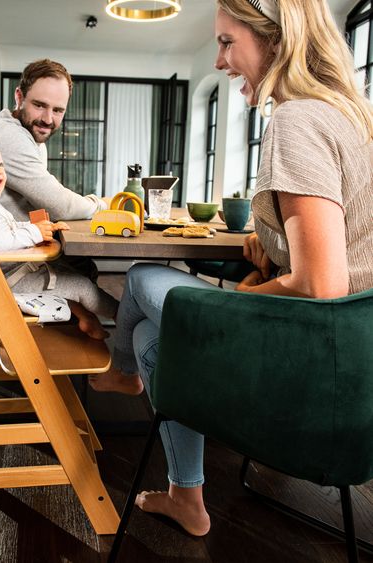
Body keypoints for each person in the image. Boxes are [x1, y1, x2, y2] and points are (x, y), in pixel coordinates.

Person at [90, 0, 373, 536]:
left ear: (276, 40)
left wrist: (239, 297)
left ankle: (122, 371)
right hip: (356, 371)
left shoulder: (297, 118)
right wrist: (274, 240)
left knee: (141, 278)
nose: (219, 61)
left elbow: (321, 283)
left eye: (226, 43)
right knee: (157, 332)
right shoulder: (351, 115)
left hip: (312, 368)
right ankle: (184, 495)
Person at [0, 135, 118, 339]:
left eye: (0, 164)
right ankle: (122, 315)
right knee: (82, 286)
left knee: (67, 275)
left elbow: (8, 229)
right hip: (11, 281)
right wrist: (33, 233)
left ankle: (87, 318)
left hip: (14, 275)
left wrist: (40, 227)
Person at [0, 59, 107, 222]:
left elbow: (46, 201)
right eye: (39, 105)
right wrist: (102, 204)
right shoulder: (8, 135)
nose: (48, 119)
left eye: (57, 110)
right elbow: (61, 207)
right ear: (19, 97)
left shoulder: (31, 136)